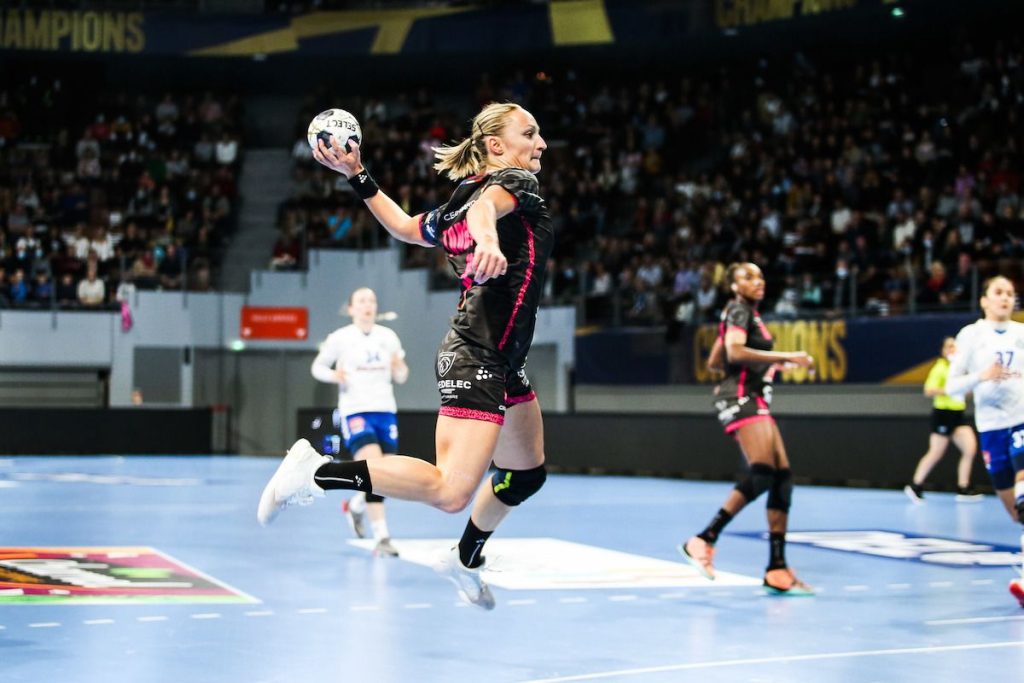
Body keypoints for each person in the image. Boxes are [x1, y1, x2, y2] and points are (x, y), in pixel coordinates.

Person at [258, 102, 552, 610]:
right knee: (450, 491)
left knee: (525, 474)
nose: (541, 143)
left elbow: (404, 228)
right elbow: (488, 212)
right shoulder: (511, 186)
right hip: (476, 353)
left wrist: (357, 174)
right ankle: (315, 472)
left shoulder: (460, 201)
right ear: (498, 147)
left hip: (502, 358)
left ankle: (465, 557)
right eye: (530, 133)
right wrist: (486, 240)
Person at [680, 262, 816, 595]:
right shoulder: (738, 310)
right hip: (741, 400)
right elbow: (734, 352)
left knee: (782, 477)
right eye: (748, 277)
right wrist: (789, 357)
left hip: (752, 397)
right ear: (733, 286)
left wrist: (770, 365)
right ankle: (702, 540)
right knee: (763, 473)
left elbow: (717, 361)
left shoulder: (743, 315)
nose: (758, 281)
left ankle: (777, 568)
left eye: (760, 276)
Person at [942, 276, 1024, 607]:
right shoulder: (971, 335)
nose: (1005, 299)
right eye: (998, 293)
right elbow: (951, 387)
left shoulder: (1021, 334)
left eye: (1010, 294)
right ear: (985, 300)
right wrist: (981, 376)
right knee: (1015, 512)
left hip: (1021, 418)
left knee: (1023, 491)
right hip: (990, 427)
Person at [311, 287, 409, 558]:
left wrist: (399, 367)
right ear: (351, 308)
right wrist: (335, 376)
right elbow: (317, 368)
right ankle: (383, 537)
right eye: (361, 301)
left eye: (372, 301)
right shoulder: (340, 338)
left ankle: (356, 505)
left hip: (385, 411)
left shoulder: (388, 337)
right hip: (356, 411)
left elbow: (401, 376)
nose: (368, 305)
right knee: (375, 469)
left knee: (385, 477)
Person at [904, 337, 983, 503]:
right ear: (943, 350)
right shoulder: (940, 368)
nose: (952, 349)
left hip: (958, 414)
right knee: (936, 452)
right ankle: (915, 485)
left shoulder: (960, 368)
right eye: (949, 346)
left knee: (969, 448)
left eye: (955, 346)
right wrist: (950, 390)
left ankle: (963, 487)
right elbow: (929, 390)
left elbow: (965, 389)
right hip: (943, 414)